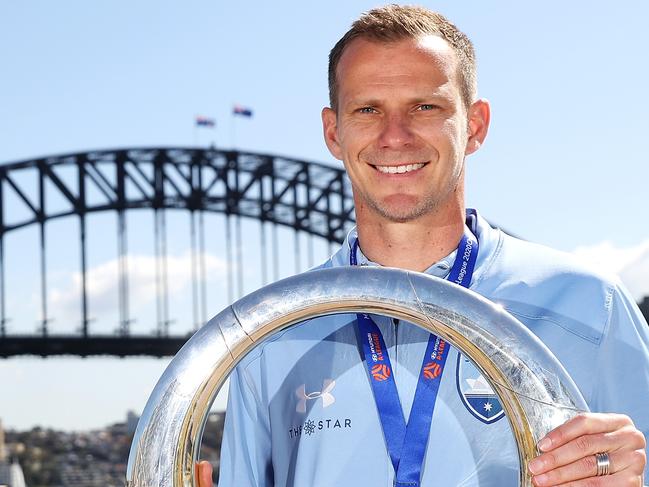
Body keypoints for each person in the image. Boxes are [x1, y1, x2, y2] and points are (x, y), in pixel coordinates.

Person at [200, 5, 648, 486]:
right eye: (367, 109)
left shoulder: (590, 307)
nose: (395, 136)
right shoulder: (271, 335)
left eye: (425, 107)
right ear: (334, 131)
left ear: (474, 125)